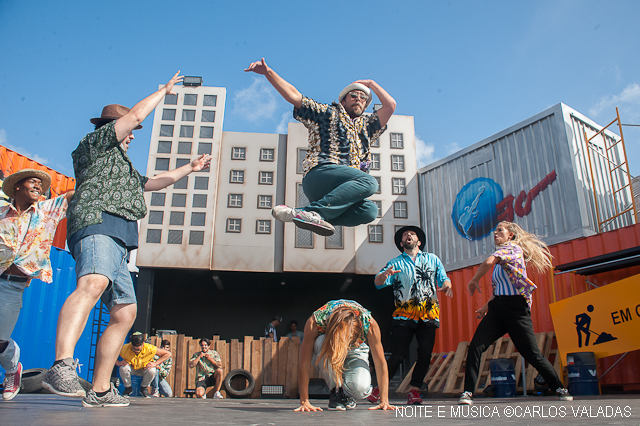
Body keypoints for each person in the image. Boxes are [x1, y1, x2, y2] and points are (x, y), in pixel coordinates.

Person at [42, 71, 212, 408]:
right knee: (92, 284)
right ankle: (60, 366)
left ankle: (101, 389)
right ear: (111, 128)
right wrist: (164, 91)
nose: (134, 135)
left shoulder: (123, 168)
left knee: (125, 313)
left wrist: (189, 169)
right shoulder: (95, 147)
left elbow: (155, 182)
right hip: (97, 223)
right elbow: (135, 115)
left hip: (121, 240)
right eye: (131, 131)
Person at [245, 58, 396, 236]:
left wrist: (371, 83)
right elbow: (294, 95)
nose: (359, 99)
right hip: (321, 174)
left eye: (363, 98)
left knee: (370, 211)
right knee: (369, 182)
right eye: (354, 96)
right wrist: (268, 73)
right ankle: (315, 212)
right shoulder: (327, 113)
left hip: (340, 189)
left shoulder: (368, 127)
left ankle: (307, 214)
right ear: (343, 101)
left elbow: (390, 105)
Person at [458, 221, 573, 405]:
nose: (495, 234)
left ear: (510, 235)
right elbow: (499, 291)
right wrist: (485, 307)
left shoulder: (511, 249)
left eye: (500, 230)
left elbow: (487, 262)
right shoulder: (501, 261)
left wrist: (474, 280)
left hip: (516, 310)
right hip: (497, 310)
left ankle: (559, 387)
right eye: (494, 231)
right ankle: (467, 393)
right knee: (476, 347)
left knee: (532, 353)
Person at [0, 169, 74, 401]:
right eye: (32, 182)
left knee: (0, 339)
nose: (38, 186)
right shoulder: (1, 213)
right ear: (17, 187)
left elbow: (72, 195)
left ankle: (13, 369)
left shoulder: (47, 211)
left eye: (40, 185)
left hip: (13, 285)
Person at [371, 226, 453, 405]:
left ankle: (414, 390)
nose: (408, 235)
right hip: (404, 315)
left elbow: (443, 278)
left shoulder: (432, 259)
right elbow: (377, 282)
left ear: (419, 241)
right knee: (398, 355)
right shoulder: (395, 262)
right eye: (405, 235)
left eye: (412, 234)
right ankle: (379, 389)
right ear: (401, 244)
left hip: (428, 314)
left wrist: (447, 285)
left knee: (425, 354)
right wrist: (385, 274)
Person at [296, 300, 395, 412]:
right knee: (320, 341)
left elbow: (380, 363)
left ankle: (347, 395)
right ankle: (336, 391)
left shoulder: (369, 323)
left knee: (360, 389)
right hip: (328, 346)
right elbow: (304, 363)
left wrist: (384, 400)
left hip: (356, 349)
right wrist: (304, 401)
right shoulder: (315, 322)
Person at [115, 333, 171, 398]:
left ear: (142, 345)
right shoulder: (125, 348)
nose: (136, 351)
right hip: (131, 368)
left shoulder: (149, 348)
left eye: (138, 349)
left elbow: (168, 354)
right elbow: (110, 353)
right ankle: (128, 388)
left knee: (152, 370)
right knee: (123, 368)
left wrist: (155, 363)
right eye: (134, 349)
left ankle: (144, 388)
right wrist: (118, 362)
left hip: (144, 369)